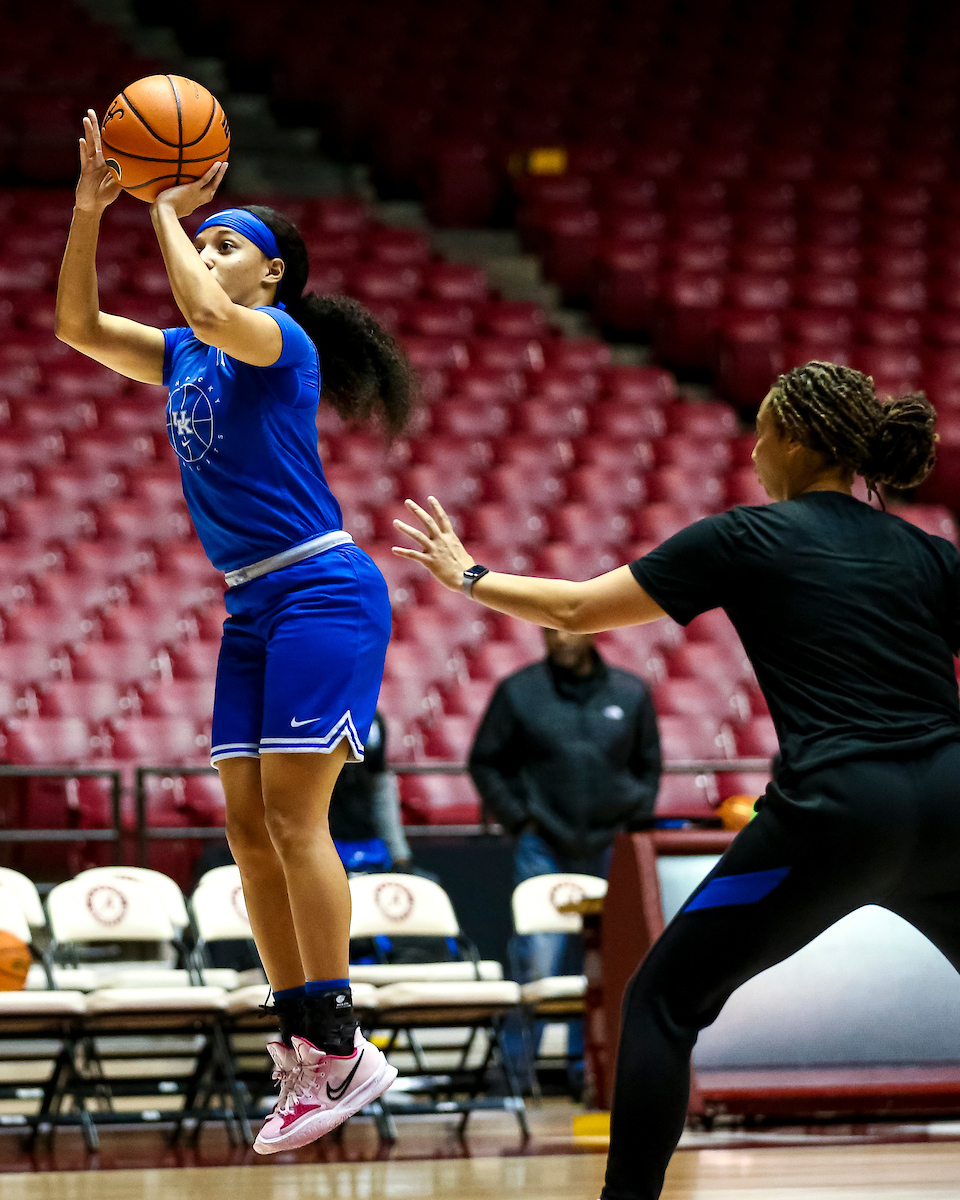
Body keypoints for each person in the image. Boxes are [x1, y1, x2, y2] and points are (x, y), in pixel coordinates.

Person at [392, 361, 957, 1200]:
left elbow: (579, 610)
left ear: (798, 443)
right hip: (951, 804)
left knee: (660, 998)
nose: (755, 449)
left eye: (763, 432)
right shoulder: (930, 551)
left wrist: (470, 576)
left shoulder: (746, 537)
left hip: (838, 813)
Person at [56, 111, 417, 1153]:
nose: (209, 251)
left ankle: (344, 1044)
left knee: (298, 821)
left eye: (230, 243)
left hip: (320, 588)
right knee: (247, 830)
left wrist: (167, 207)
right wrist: (91, 213)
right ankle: (304, 1040)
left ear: (272, 280)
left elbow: (204, 307)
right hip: (252, 602)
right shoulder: (184, 353)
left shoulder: (274, 340)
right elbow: (78, 325)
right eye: (205, 237)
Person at [469, 626, 660, 983]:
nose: (559, 639)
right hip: (543, 843)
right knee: (539, 960)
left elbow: (649, 765)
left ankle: (600, 1042)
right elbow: (485, 761)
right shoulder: (519, 691)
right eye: (549, 631)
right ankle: (526, 1042)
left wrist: (636, 818)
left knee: (613, 960)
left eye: (568, 631)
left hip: (612, 845)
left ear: (591, 633)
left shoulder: (631, 692)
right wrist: (518, 818)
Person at [329, 710, 413, 873]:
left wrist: (398, 854)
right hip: (321, 842)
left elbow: (380, 789)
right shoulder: (311, 716)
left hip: (368, 843)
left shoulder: (373, 720)